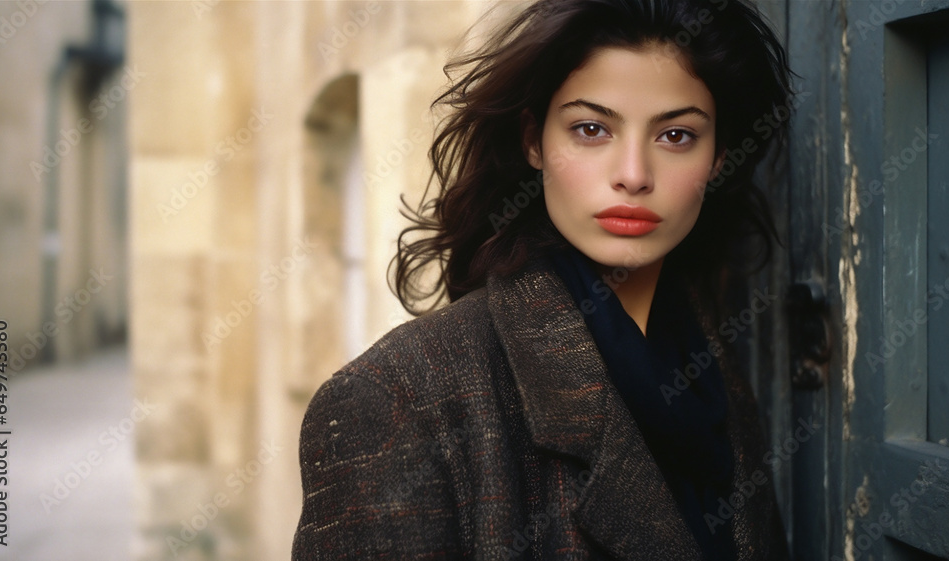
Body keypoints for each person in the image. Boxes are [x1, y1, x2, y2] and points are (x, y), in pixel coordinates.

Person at [292, 0, 793, 558]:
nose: (633, 175)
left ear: (719, 157)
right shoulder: (396, 400)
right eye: (590, 129)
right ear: (534, 141)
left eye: (675, 136)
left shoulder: (716, 375)